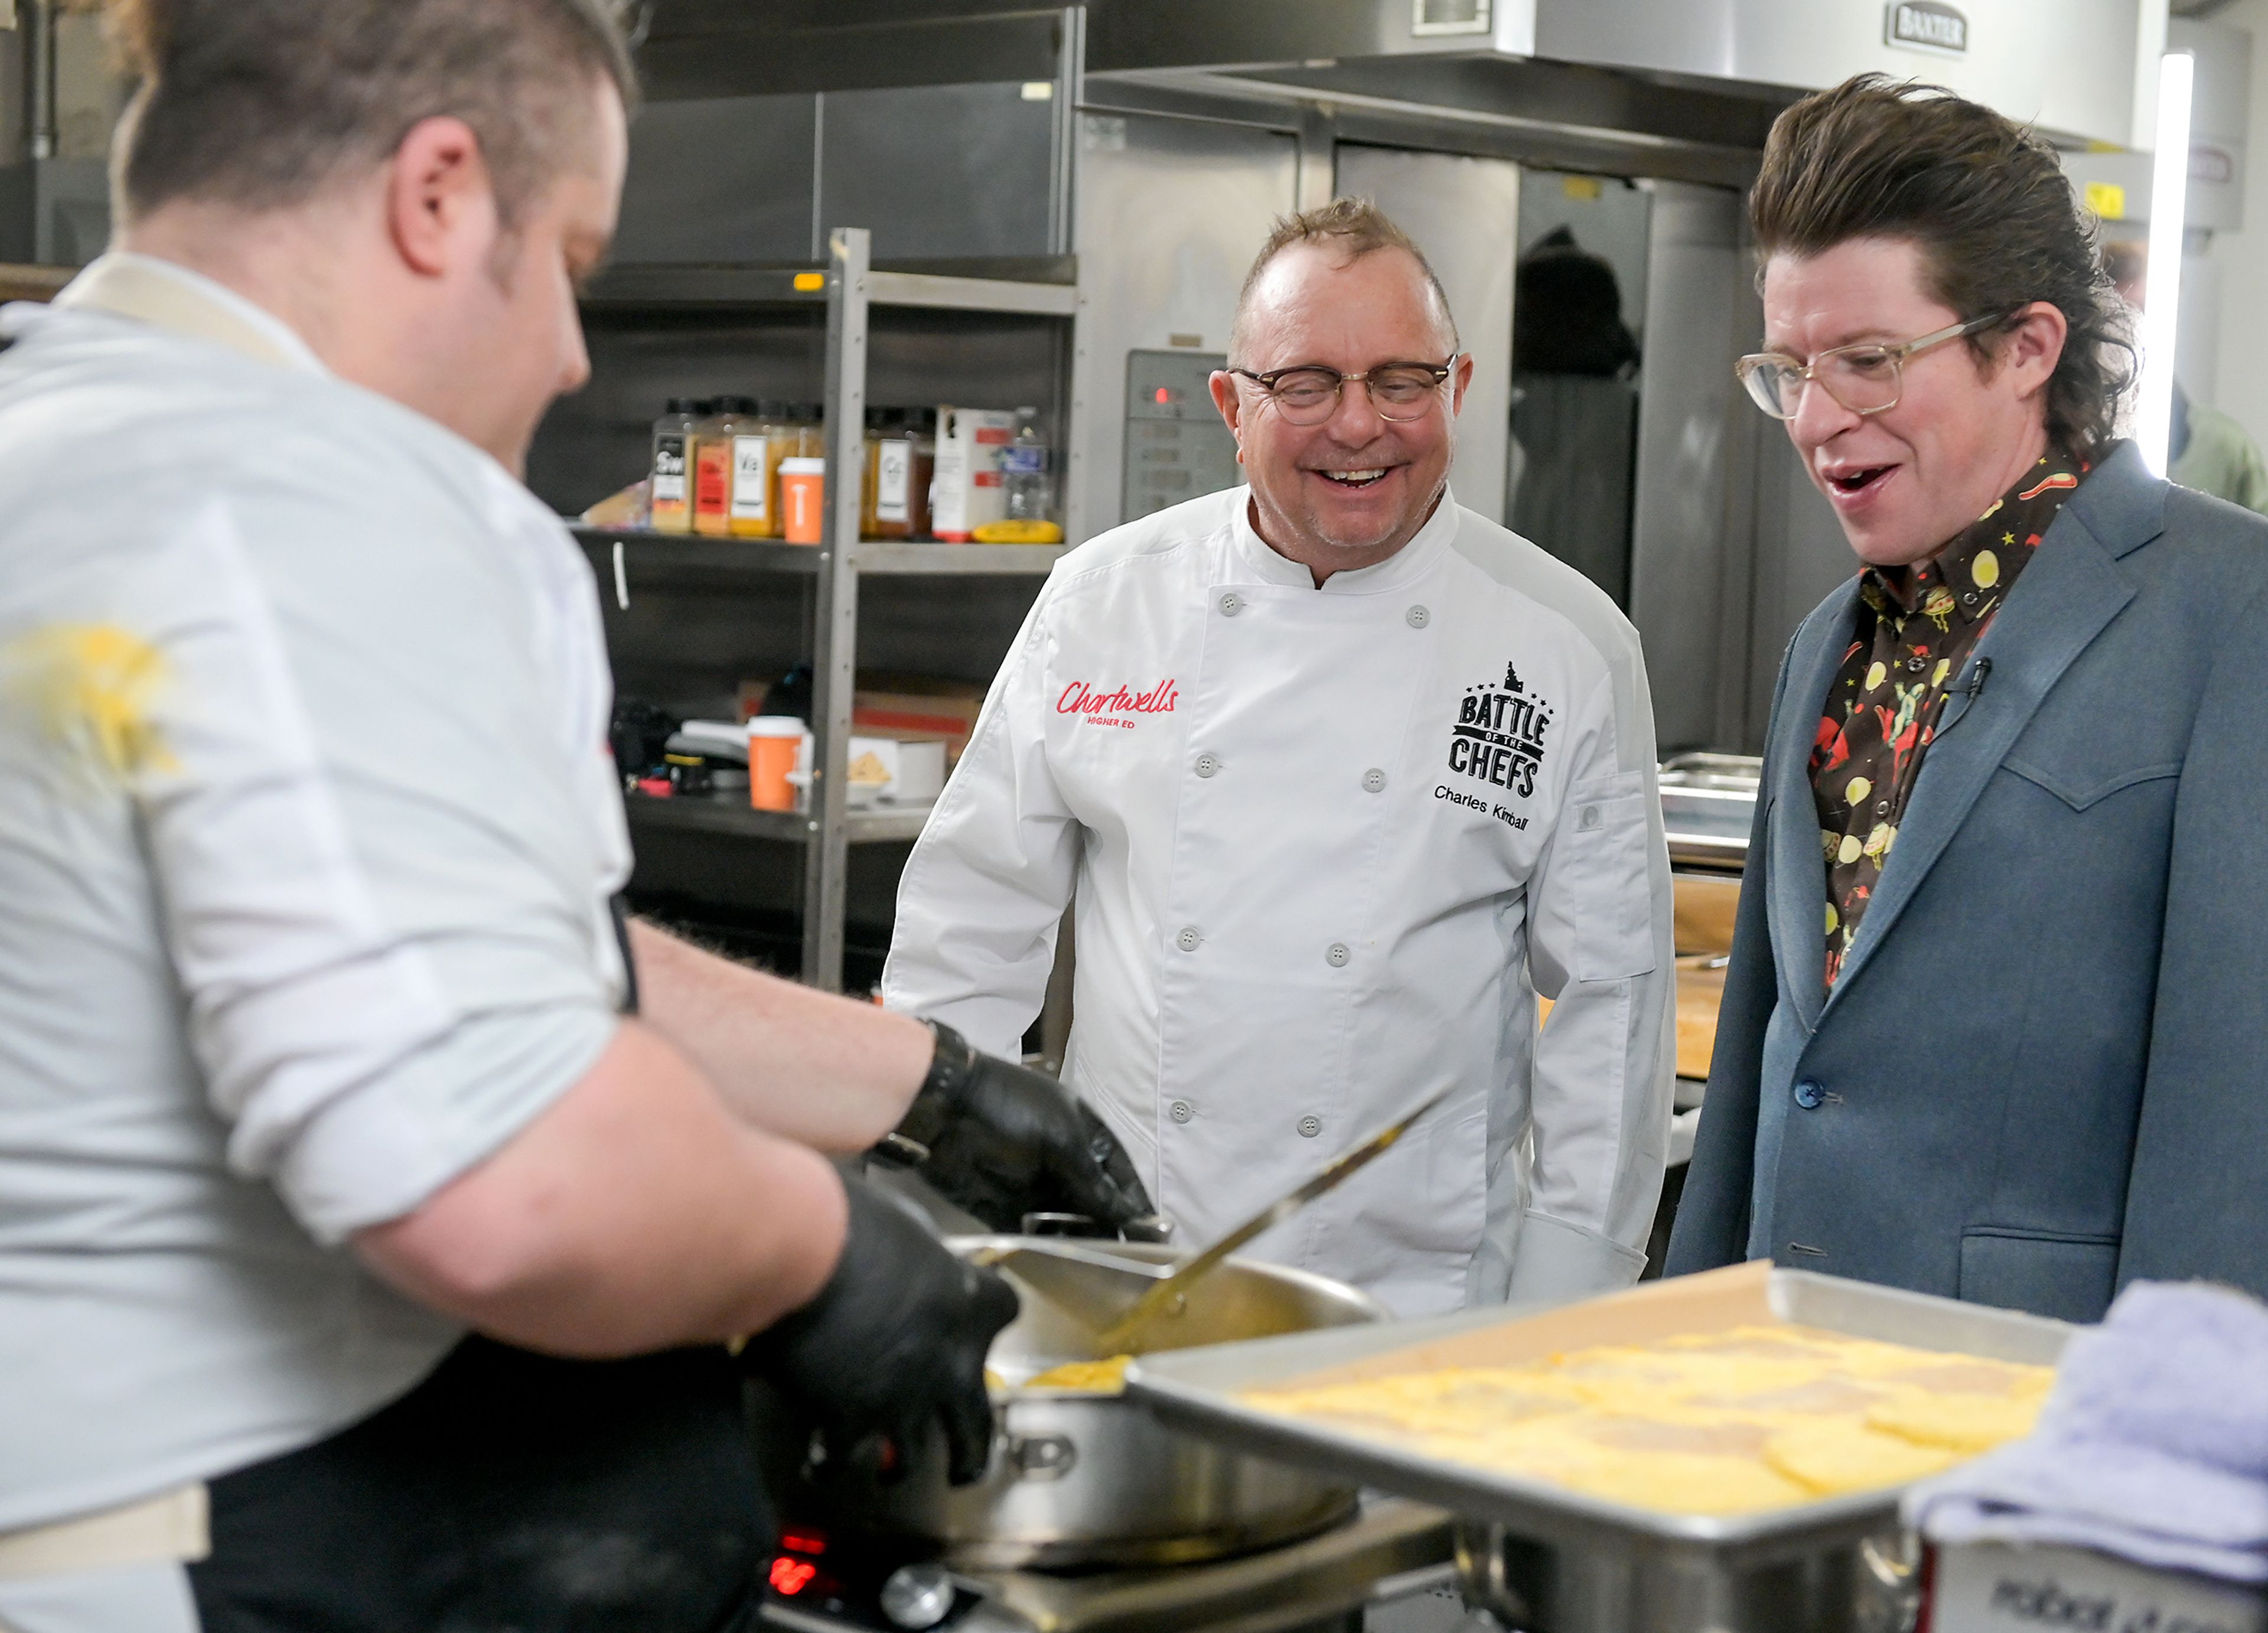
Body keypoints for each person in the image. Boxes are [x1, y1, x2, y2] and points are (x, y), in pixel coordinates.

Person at [0, 3, 1151, 1628]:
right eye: (570, 259)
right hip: (222, 1544)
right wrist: (818, 1251)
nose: (569, 349)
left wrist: (925, 1081)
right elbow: (500, 1173)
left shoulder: (60, 440)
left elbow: (408, 938)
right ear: (440, 193)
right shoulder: (320, 492)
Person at [884, 198, 1674, 1319]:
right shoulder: (1104, 604)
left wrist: (1557, 1325)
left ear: (1456, 390)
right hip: (1122, 1276)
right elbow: (968, 930)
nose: (1360, 426)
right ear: (1232, 407)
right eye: (1306, 384)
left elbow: (1613, 1016)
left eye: (1402, 381)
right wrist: (937, 1225)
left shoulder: (1566, 643)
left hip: (1418, 1309)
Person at [1666, 76, 2268, 1321]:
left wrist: (2162, 1456)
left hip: (2040, 1402)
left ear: (2029, 347)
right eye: (1788, 369)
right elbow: (1759, 1081)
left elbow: (2236, 1100)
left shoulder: (2230, 610)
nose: (1818, 417)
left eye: (1870, 361)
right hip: (1777, 1394)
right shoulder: (1823, 645)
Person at [2103, 239, 2268, 514]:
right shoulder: (2060, 435)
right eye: (2119, 314)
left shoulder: (2224, 448)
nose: (2131, 331)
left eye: (2145, 312)